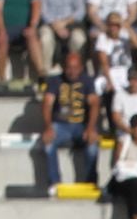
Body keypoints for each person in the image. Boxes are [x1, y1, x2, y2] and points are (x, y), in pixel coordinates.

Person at [41, 50, 99, 188]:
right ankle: (55, 182)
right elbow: (47, 104)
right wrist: (48, 128)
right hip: (60, 125)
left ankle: (90, 182)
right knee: (48, 144)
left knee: (93, 147)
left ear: (81, 67)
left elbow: (95, 104)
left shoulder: (88, 81)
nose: (72, 71)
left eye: (75, 68)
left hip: (81, 125)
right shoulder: (55, 81)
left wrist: (91, 128)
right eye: (69, 68)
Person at [37, 0, 88, 70]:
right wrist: (55, 26)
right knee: (45, 39)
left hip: (71, 23)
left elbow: (80, 11)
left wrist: (64, 23)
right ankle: (45, 74)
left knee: (79, 39)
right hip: (50, 24)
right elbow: (43, 11)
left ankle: (75, 70)